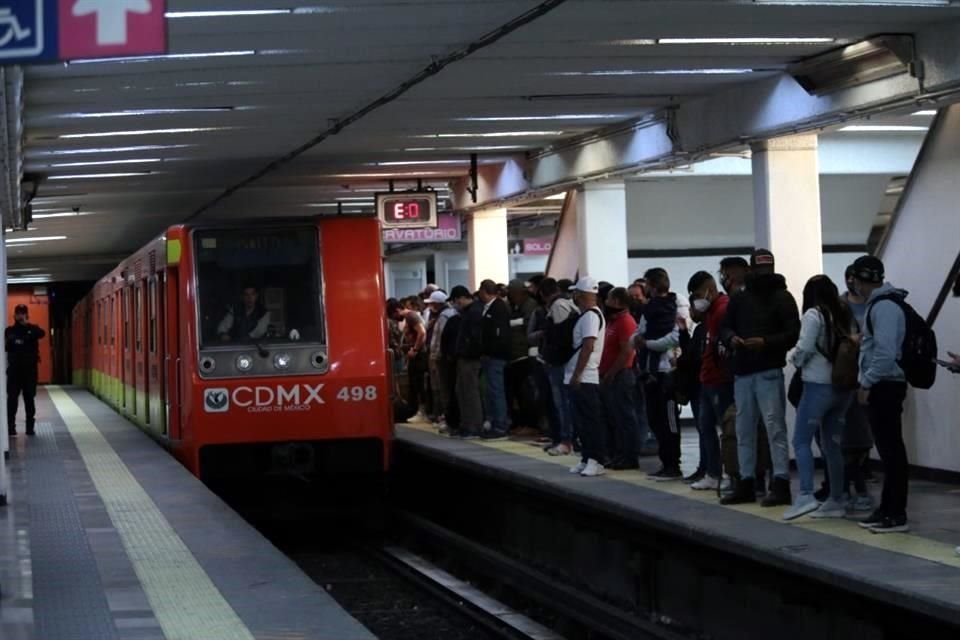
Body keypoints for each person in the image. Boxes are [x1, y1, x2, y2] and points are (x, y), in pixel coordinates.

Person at [720, 249, 800, 507]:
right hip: (760, 369)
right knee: (768, 428)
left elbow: (792, 334)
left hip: (752, 370)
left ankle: (755, 482)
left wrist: (755, 341)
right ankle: (772, 483)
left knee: (758, 429)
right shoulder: (781, 297)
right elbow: (791, 334)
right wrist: (736, 338)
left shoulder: (744, 299)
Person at [783, 276, 856, 521]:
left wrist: (792, 358)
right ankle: (837, 499)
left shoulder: (814, 315)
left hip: (817, 387)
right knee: (832, 444)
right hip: (843, 388)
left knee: (801, 441)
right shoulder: (844, 314)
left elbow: (804, 347)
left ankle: (805, 495)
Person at [852, 256, 911, 534]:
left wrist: (867, 383)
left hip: (885, 386)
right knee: (889, 452)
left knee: (892, 452)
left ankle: (896, 514)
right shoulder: (881, 304)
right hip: (884, 384)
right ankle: (887, 508)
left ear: (858, 279)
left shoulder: (884, 307)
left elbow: (885, 353)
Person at [687, 271, 733, 491]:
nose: (697, 301)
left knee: (725, 428)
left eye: (698, 295)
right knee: (705, 427)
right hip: (707, 378)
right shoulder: (710, 312)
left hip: (719, 379)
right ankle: (713, 472)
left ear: (709, 290)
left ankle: (727, 473)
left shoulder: (723, 309)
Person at [636, 268, 682, 481]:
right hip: (652, 371)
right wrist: (639, 341)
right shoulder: (649, 310)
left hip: (667, 373)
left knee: (669, 421)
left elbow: (675, 337)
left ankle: (674, 465)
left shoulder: (677, 305)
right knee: (656, 420)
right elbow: (639, 333)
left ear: (652, 285)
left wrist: (647, 344)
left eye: (646, 283)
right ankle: (666, 463)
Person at [565, 277, 607, 477]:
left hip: (586, 377)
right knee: (580, 421)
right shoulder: (586, 316)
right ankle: (586, 457)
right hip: (581, 376)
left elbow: (589, 345)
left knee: (590, 421)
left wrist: (578, 374)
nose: (573, 296)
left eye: (575, 293)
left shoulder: (591, 316)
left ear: (581, 295)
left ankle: (596, 460)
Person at [600, 287, 641, 470]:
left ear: (616, 301)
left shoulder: (625, 322)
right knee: (616, 417)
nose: (606, 303)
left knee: (625, 417)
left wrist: (611, 372)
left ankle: (629, 456)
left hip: (621, 375)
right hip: (613, 375)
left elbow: (626, 352)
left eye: (608, 299)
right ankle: (619, 454)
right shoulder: (613, 321)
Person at [539, 278, 579, 456]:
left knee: (563, 402)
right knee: (562, 402)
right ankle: (563, 439)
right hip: (561, 362)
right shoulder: (565, 304)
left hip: (560, 363)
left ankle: (566, 440)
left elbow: (561, 337)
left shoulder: (558, 306)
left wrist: (552, 356)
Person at [478, 280, 511, 440]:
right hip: (490, 355)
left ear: (484, 291)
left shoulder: (498, 307)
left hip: (495, 356)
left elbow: (498, 334)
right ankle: (494, 421)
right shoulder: (491, 307)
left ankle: (500, 424)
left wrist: (489, 351)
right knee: (491, 390)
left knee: (496, 390)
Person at [506, 279, 539, 437]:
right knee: (519, 393)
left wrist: (511, 323)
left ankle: (530, 424)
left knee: (526, 392)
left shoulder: (530, 305)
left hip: (524, 355)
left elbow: (527, 325)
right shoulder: (516, 306)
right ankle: (523, 422)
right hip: (516, 355)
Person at [6, 304, 45, 437]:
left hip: (29, 372)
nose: (20, 315)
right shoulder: (9, 331)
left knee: (29, 399)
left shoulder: (33, 329)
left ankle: (30, 428)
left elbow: (42, 333)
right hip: (14, 372)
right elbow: (6, 344)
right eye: (18, 313)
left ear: (26, 315)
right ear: (14, 315)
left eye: (23, 313)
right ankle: (11, 428)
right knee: (12, 400)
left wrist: (27, 326)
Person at [453, 288, 484, 438]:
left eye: (457, 300)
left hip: (470, 358)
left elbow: (475, 337)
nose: (456, 304)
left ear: (463, 297)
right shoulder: (470, 311)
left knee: (470, 392)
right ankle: (467, 424)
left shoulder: (474, 312)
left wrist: (468, 352)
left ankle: (473, 426)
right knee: (463, 391)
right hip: (466, 357)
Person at [393, 300, 428, 423]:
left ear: (397, 310)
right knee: (414, 384)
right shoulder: (409, 318)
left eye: (394, 315)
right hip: (415, 355)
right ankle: (418, 410)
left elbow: (422, 332)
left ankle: (422, 411)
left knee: (418, 384)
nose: (395, 319)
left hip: (418, 356)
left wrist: (415, 349)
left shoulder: (411, 316)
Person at [426, 290, 456, 430]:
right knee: (444, 388)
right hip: (444, 356)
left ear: (437, 304)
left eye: (432, 303)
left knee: (443, 388)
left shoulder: (444, 316)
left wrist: (435, 356)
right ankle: (446, 416)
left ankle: (446, 417)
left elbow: (441, 338)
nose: (430, 306)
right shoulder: (448, 313)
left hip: (441, 357)